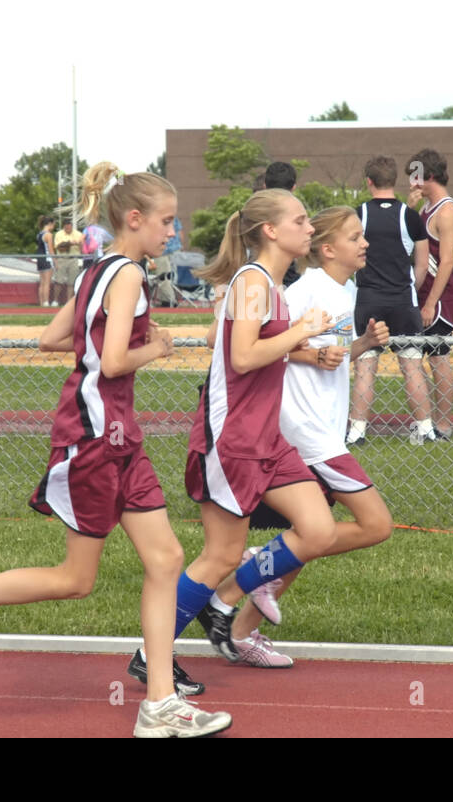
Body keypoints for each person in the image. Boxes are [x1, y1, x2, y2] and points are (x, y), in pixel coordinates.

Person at [0, 163, 231, 738]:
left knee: (167, 560)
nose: (174, 233)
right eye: (168, 222)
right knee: (76, 578)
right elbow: (116, 360)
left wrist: (118, 346)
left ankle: (159, 704)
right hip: (94, 439)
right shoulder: (126, 276)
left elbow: (54, 338)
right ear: (134, 218)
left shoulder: (96, 271)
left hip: (122, 439)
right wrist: (159, 346)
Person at [173, 188, 337, 672]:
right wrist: (300, 331)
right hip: (234, 438)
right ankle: (151, 656)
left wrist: (301, 350)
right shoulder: (252, 282)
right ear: (271, 230)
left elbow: (224, 340)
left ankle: (223, 605)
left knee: (318, 529)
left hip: (268, 437)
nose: (310, 228)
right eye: (302, 221)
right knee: (220, 554)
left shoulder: (272, 285)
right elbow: (241, 356)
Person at [225, 207, 393, 666]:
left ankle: (243, 633)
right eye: (356, 237)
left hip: (323, 425)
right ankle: (263, 559)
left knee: (308, 535)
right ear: (328, 249)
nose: (365, 244)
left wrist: (361, 347)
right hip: (306, 431)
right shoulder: (303, 291)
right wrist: (308, 357)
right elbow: (267, 346)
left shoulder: (346, 290)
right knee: (376, 524)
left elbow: (326, 351)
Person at [346, 155, 436, 445]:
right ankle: (425, 430)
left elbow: (347, 258)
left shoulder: (357, 214)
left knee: (365, 368)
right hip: (402, 302)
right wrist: (409, 289)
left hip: (368, 300)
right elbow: (422, 265)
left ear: (368, 181)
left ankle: (357, 432)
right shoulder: (409, 216)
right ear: (394, 181)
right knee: (412, 366)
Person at [406, 148, 453, 440]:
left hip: (440, 297)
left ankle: (443, 424)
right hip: (423, 292)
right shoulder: (426, 209)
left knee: (438, 356)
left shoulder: (447, 211)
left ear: (429, 176)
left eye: (416, 178)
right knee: (419, 356)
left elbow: (447, 262)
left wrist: (430, 303)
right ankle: (427, 421)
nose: (412, 185)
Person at [151, 214, 184, 307]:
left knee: (163, 277)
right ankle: (165, 301)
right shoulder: (173, 217)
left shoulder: (156, 218)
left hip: (162, 251)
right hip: (176, 250)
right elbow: (180, 233)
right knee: (172, 277)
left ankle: (170, 301)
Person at [51, 219, 83, 306]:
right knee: (59, 280)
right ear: (63, 227)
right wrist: (70, 243)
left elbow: (82, 246)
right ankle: (55, 300)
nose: (67, 228)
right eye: (66, 226)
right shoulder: (59, 234)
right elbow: (59, 246)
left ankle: (69, 301)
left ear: (71, 226)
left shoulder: (78, 234)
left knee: (72, 281)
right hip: (62, 258)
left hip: (74, 259)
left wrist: (78, 244)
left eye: (69, 226)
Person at [34, 215, 54, 307]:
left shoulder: (39, 234)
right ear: (50, 224)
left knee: (42, 282)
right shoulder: (48, 235)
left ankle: (42, 302)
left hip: (40, 259)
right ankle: (46, 302)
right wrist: (55, 261)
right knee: (47, 283)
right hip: (46, 259)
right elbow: (50, 249)